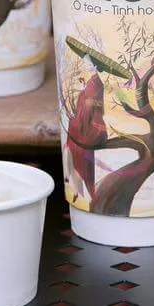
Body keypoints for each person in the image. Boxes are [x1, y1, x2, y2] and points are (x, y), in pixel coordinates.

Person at [64, 54, 106, 205]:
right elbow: (85, 102)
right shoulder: (91, 82)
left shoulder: (97, 83)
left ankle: (79, 183)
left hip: (92, 126)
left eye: (89, 65)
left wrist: (84, 94)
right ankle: (74, 182)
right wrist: (82, 90)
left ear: (95, 67)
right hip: (84, 122)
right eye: (86, 65)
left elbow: (91, 105)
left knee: (75, 135)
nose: (87, 67)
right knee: (71, 140)